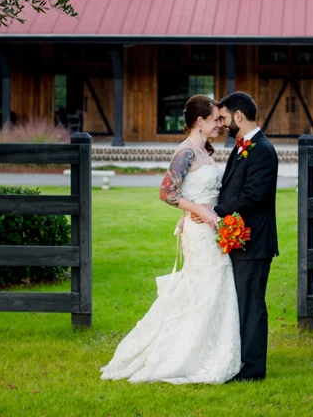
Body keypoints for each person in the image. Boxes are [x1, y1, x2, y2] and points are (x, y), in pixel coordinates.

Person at [100, 95, 241, 384]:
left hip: (211, 229)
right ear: (199, 121)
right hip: (200, 233)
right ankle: (181, 355)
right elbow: (167, 193)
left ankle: (210, 350)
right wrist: (199, 210)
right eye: (215, 119)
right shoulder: (185, 153)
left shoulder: (205, 151)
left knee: (213, 287)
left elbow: (198, 192)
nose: (220, 124)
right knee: (202, 287)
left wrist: (205, 209)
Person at [192, 91, 280, 381]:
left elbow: (253, 195)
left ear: (238, 116)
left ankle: (252, 368)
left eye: (225, 117)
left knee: (251, 305)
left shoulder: (262, 150)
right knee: (240, 303)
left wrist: (214, 211)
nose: (222, 123)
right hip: (240, 240)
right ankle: (237, 359)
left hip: (254, 241)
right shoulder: (242, 147)